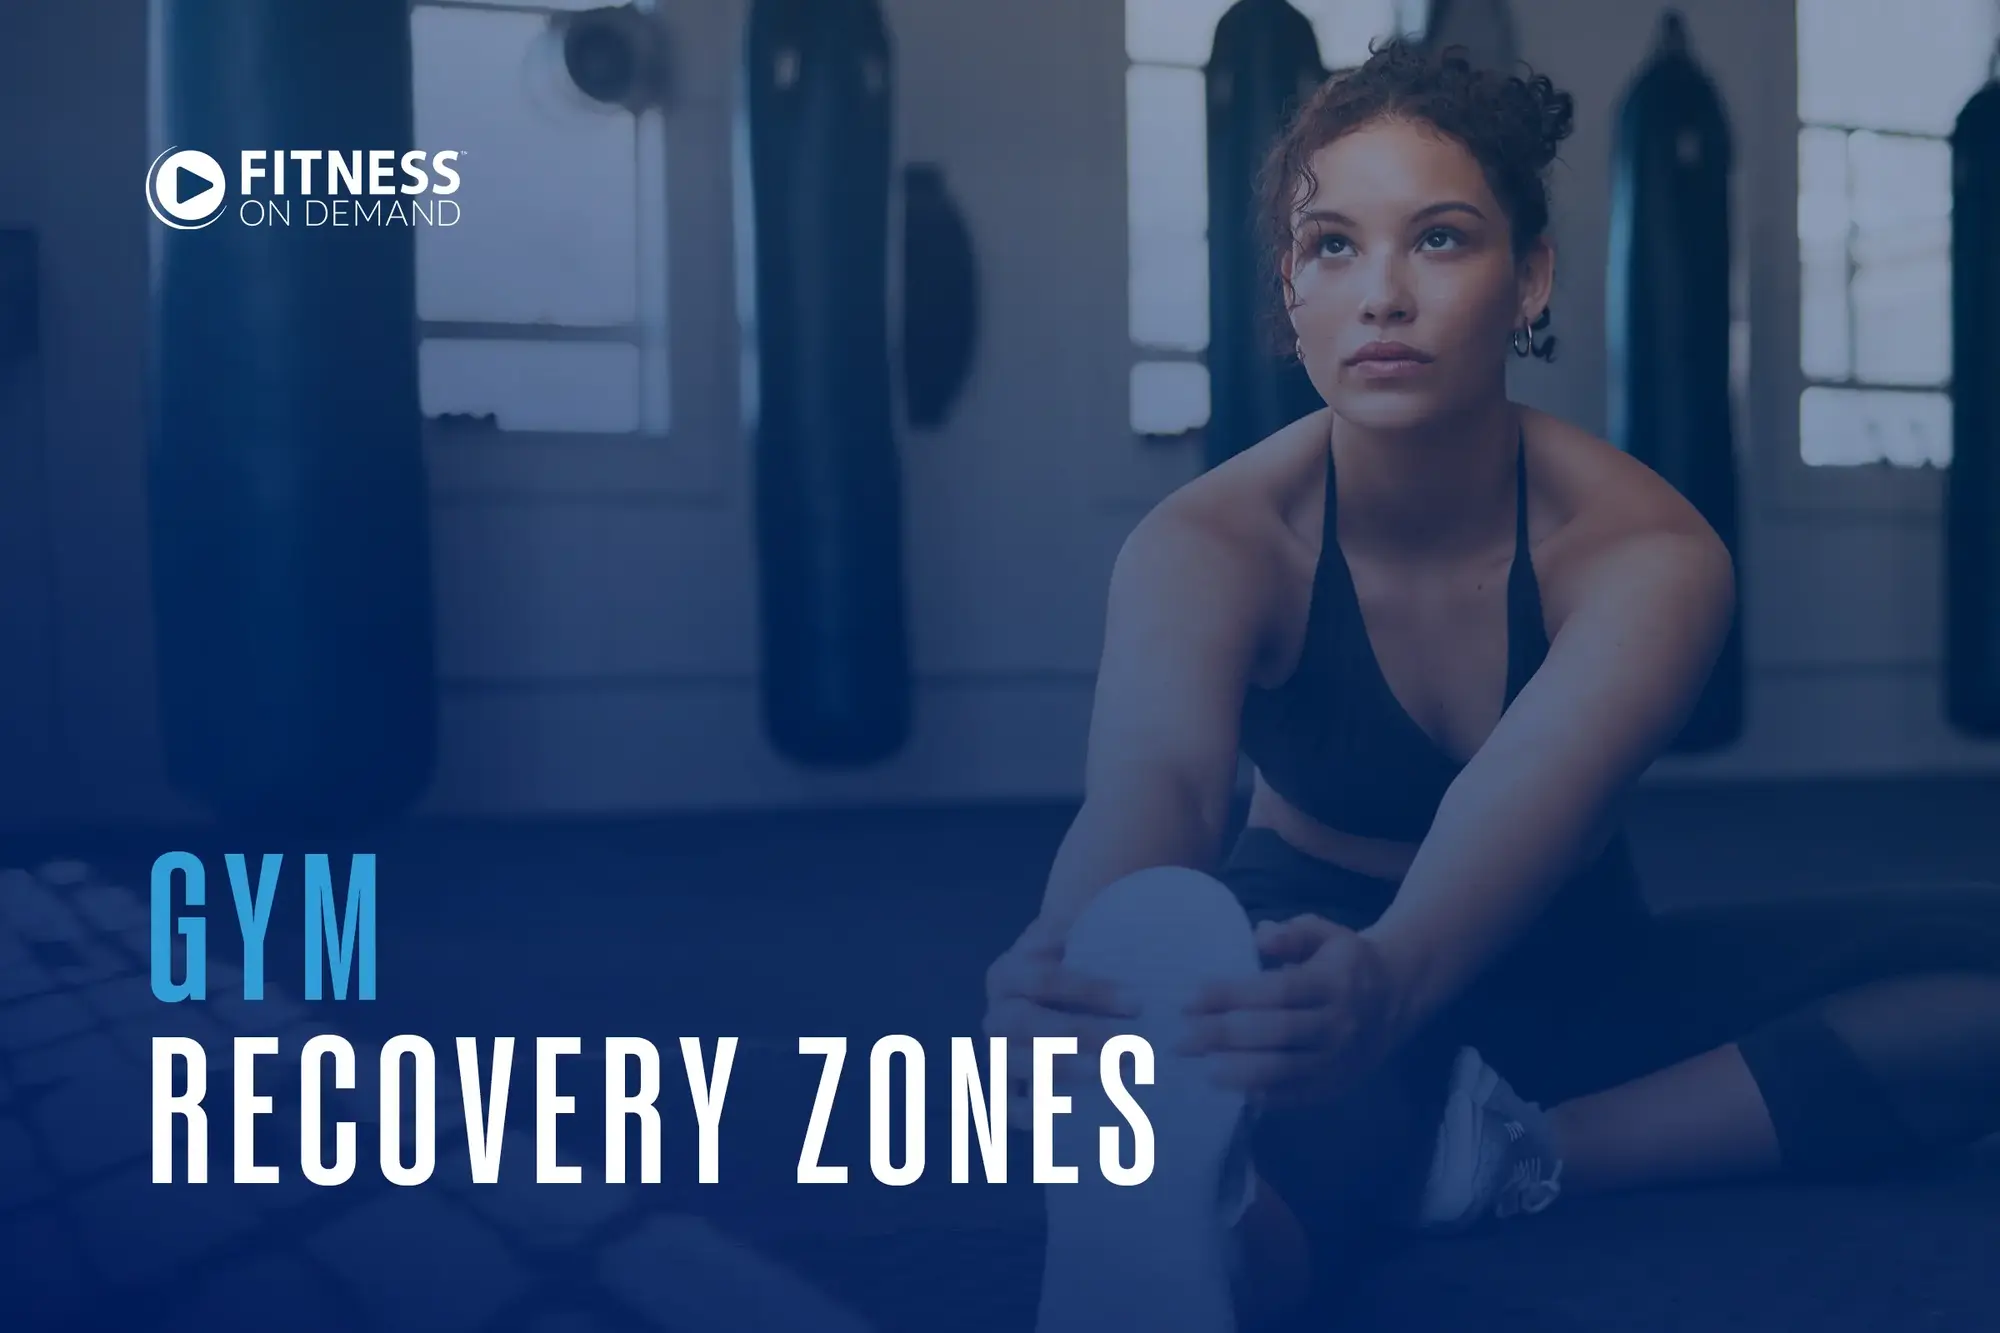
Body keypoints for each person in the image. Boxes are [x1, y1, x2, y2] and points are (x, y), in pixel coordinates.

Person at [985, 39, 2000, 1333]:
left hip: (1576, 962)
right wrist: (1073, 960)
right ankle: (1206, 1235)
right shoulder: (1208, 544)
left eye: (1443, 241)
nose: (1382, 296)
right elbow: (1159, 790)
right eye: (1333, 248)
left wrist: (1399, 980)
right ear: (1289, 294)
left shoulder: (1648, 553)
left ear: (1530, 279)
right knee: (1284, 1182)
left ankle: (1518, 1151)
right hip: (1305, 956)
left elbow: (1528, 800)